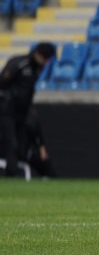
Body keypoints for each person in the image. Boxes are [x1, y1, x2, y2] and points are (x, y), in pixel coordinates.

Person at [0, 42, 55, 177]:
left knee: (20, 146)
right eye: (45, 59)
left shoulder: (37, 69)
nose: (46, 63)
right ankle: (10, 175)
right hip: (7, 111)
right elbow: (2, 83)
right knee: (10, 143)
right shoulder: (19, 63)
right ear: (38, 55)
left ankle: (14, 173)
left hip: (22, 113)